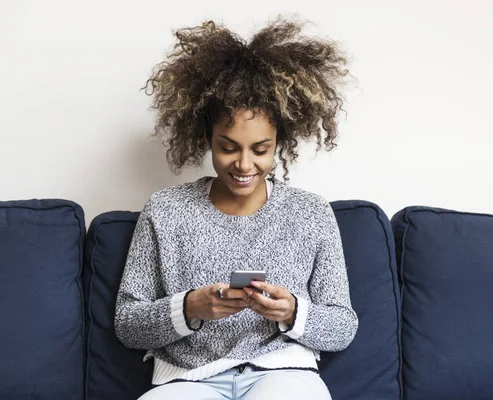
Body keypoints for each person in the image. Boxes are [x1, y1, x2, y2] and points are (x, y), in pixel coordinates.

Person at [114, 15, 358, 400]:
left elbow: (342, 326)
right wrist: (189, 308)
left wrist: (292, 312)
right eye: (228, 147)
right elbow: (128, 324)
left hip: (282, 373)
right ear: (205, 138)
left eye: (260, 150)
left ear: (280, 140)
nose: (244, 165)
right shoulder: (165, 210)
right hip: (188, 380)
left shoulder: (310, 213)